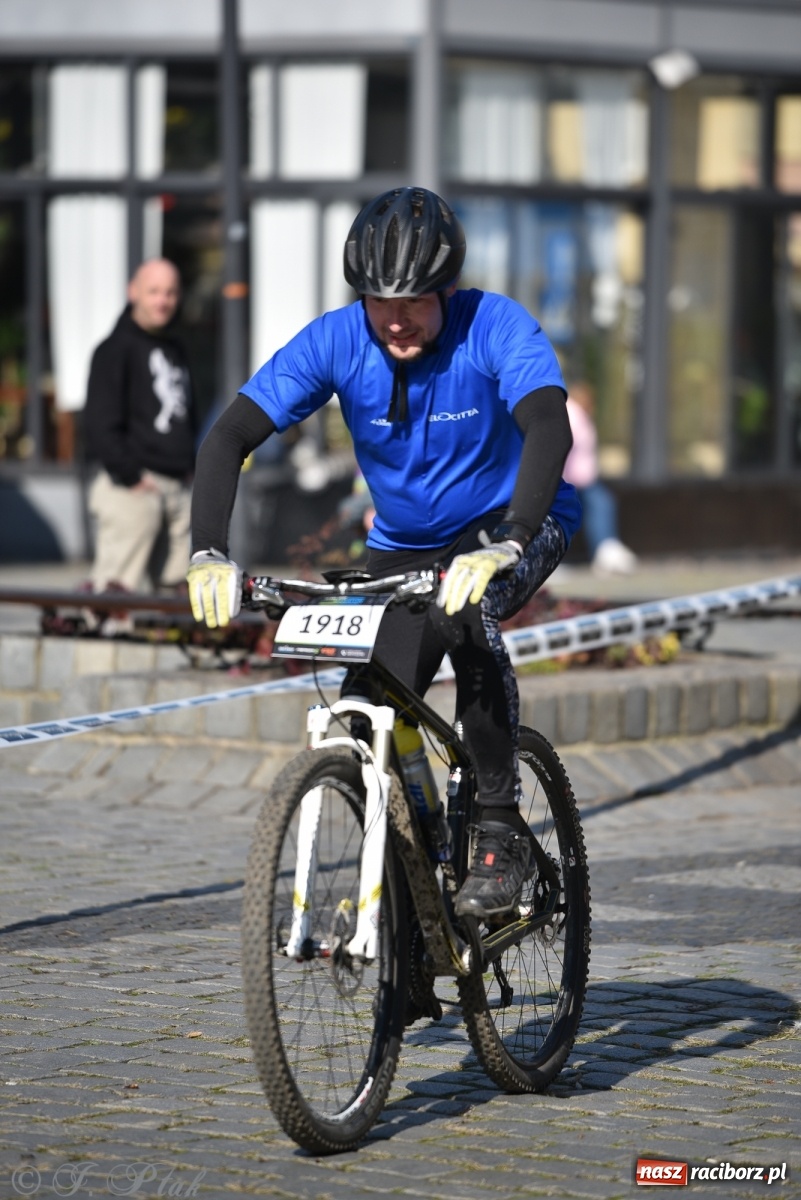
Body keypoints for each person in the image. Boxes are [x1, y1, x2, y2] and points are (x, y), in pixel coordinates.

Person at [187, 187, 580, 920]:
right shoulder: (336, 339)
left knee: (464, 613)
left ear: (448, 290)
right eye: (379, 302)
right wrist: (207, 549)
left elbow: (547, 427)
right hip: (401, 544)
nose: (395, 319)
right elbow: (227, 437)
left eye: (415, 302)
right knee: (366, 713)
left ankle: (498, 833)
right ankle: (409, 923)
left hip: (511, 523)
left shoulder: (493, 325)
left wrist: (512, 540)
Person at [84, 258, 197, 595]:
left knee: (175, 598)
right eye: (154, 292)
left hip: (177, 486)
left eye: (170, 292)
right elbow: (99, 423)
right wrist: (130, 476)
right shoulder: (113, 349)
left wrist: (190, 466)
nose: (163, 300)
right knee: (117, 596)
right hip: (132, 487)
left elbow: (188, 411)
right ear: (133, 292)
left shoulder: (176, 347)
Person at [563, 381, 638, 575]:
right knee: (599, 506)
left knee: (602, 505)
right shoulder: (573, 415)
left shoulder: (577, 414)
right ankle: (605, 549)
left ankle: (606, 550)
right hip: (571, 479)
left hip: (580, 479)